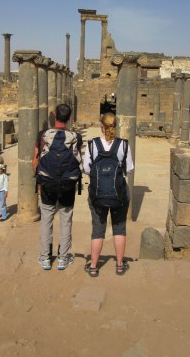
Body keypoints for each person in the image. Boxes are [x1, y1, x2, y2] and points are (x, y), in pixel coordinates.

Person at [82, 112, 134, 277]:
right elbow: (129, 168)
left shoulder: (92, 145)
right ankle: (119, 265)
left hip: (97, 194)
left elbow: (86, 169)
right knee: (119, 227)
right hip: (119, 193)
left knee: (98, 229)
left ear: (101, 127)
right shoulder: (123, 145)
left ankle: (94, 266)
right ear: (115, 126)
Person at [33, 104, 83, 271]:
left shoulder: (43, 135)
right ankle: (63, 258)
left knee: (46, 218)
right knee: (66, 218)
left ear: (54, 116)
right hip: (68, 184)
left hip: (47, 183)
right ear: (69, 118)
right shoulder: (76, 137)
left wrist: (40, 178)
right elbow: (77, 159)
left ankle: (45, 258)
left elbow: (35, 159)